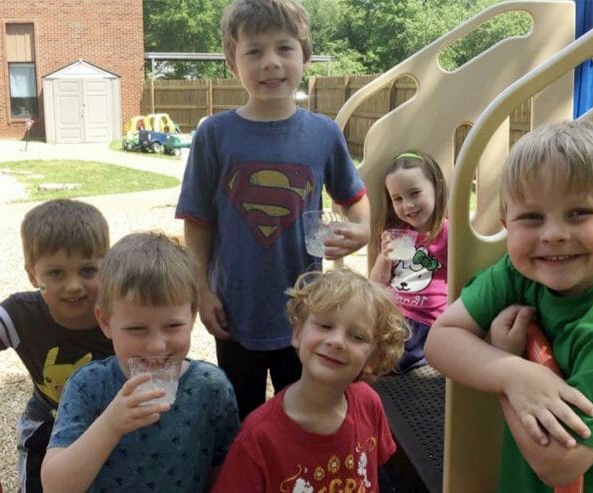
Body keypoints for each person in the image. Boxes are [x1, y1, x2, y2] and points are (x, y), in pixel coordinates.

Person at [425, 120, 593, 492]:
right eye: (531, 217)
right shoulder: (524, 270)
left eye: (579, 212)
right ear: (507, 223)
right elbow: (441, 340)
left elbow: (559, 464)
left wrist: (507, 368)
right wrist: (512, 373)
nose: (553, 234)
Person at [176, 0, 371, 420]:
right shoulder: (214, 134)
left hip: (306, 312)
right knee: (240, 416)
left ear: (305, 56)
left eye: (284, 48)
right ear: (233, 64)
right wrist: (202, 292)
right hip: (234, 310)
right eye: (254, 51)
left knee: (304, 413)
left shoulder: (324, 133)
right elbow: (198, 223)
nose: (271, 62)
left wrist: (362, 230)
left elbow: (355, 200)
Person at [0, 198, 113, 493]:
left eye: (87, 270)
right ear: (33, 275)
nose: (73, 285)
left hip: (114, 424)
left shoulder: (121, 311)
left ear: (107, 267)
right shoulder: (24, 314)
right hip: (49, 428)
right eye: (56, 273)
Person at [41, 231, 240, 492]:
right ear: (105, 322)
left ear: (192, 316)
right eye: (136, 329)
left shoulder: (211, 388)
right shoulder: (88, 386)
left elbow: (225, 473)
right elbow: (55, 487)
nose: (157, 345)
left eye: (172, 326)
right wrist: (110, 425)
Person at [212, 267, 407, 491]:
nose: (337, 341)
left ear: (373, 358)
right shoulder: (258, 438)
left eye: (357, 336)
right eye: (325, 325)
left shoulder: (369, 404)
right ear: (297, 333)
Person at [369, 151, 448, 371]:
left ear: (436, 188)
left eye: (414, 193)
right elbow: (376, 284)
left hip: (424, 321)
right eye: (398, 199)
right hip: (391, 315)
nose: (407, 205)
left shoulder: (447, 233)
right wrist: (384, 257)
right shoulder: (397, 233)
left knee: (383, 356)